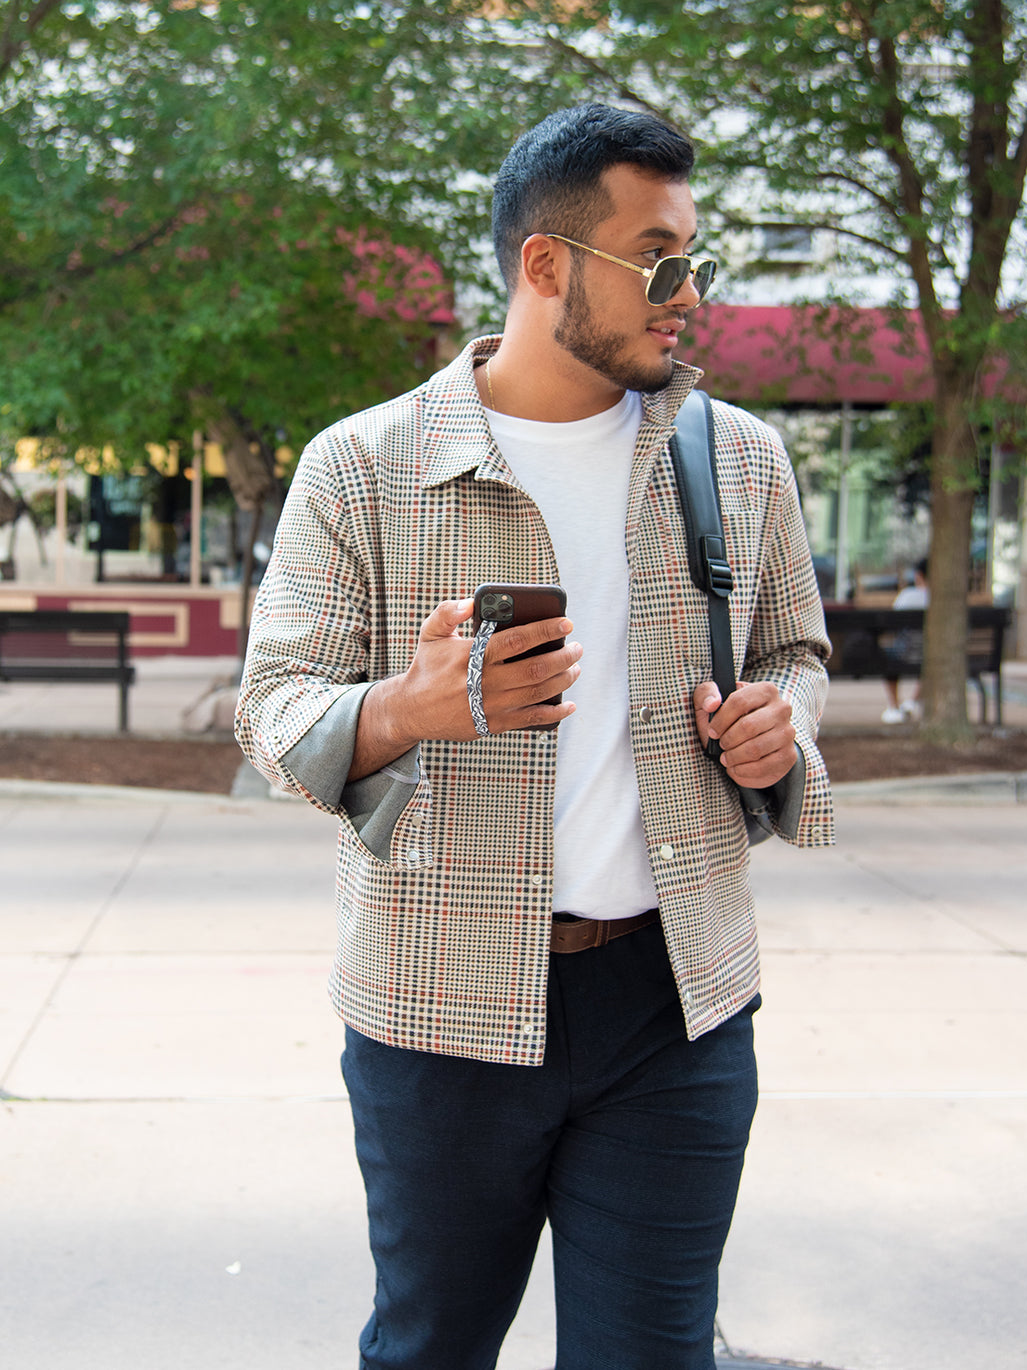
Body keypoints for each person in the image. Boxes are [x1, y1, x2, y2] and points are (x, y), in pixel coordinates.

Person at [236, 103, 834, 1370]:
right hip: (436, 1007)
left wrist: (782, 729)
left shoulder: (740, 461)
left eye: (697, 262)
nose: (689, 296)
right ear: (545, 266)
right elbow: (275, 708)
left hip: (677, 1002)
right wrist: (411, 704)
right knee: (431, 1347)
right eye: (659, 260)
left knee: (654, 1355)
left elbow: (794, 650)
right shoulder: (361, 467)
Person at [882, 557, 929, 723]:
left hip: (904, 654)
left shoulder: (908, 596)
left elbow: (892, 625)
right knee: (930, 660)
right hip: (930, 657)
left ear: (919, 575)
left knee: (887, 657)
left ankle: (894, 708)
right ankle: (913, 702)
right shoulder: (944, 602)